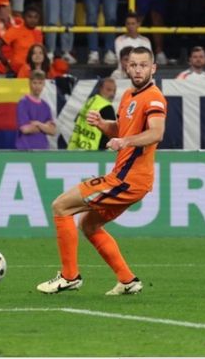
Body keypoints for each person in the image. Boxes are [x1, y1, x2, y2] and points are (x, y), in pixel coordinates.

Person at [37, 46, 167, 295]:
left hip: (128, 180)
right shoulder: (129, 95)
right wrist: (104, 125)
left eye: (143, 65)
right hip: (128, 180)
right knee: (89, 225)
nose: (138, 69)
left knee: (61, 206)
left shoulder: (153, 97)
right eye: (133, 64)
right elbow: (123, 129)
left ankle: (69, 276)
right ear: (126, 67)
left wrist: (125, 142)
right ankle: (128, 281)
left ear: (153, 68)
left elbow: (156, 132)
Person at [68, 78, 117, 150]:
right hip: (95, 151)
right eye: (108, 90)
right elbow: (111, 132)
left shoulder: (90, 101)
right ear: (100, 89)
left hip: (78, 147)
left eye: (114, 91)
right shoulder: (107, 107)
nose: (112, 94)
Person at [0, 5, 44, 74]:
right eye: (30, 17)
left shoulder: (38, 33)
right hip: (16, 72)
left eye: (36, 17)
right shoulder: (16, 30)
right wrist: (6, 63)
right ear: (23, 17)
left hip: (33, 72)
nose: (33, 20)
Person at [15, 70, 56, 150]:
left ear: (44, 84)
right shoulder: (23, 102)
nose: (37, 86)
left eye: (40, 83)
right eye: (35, 83)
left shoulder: (46, 106)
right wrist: (45, 127)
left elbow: (52, 131)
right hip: (26, 149)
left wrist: (37, 123)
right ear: (30, 83)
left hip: (43, 150)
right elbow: (25, 129)